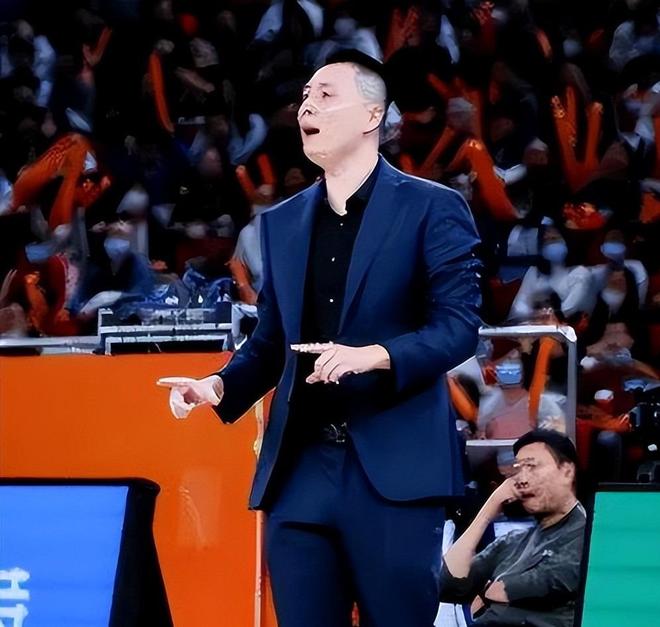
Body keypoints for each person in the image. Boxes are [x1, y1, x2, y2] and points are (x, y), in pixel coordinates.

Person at [158, 48, 481, 627]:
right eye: (304, 96)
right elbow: (271, 342)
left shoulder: (433, 208)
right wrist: (217, 386)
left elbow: (457, 327)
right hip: (301, 470)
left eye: (326, 95)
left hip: (395, 470)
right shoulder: (281, 222)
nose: (307, 106)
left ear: (373, 115)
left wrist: (374, 356)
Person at [439, 429, 586, 627]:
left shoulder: (590, 536)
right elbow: (448, 585)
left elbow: (541, 584)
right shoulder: (514, 541)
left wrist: (488, 591)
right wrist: (489, 509)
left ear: (567, 472)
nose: (522, 479)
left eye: (532, 467)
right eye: (519, 469)